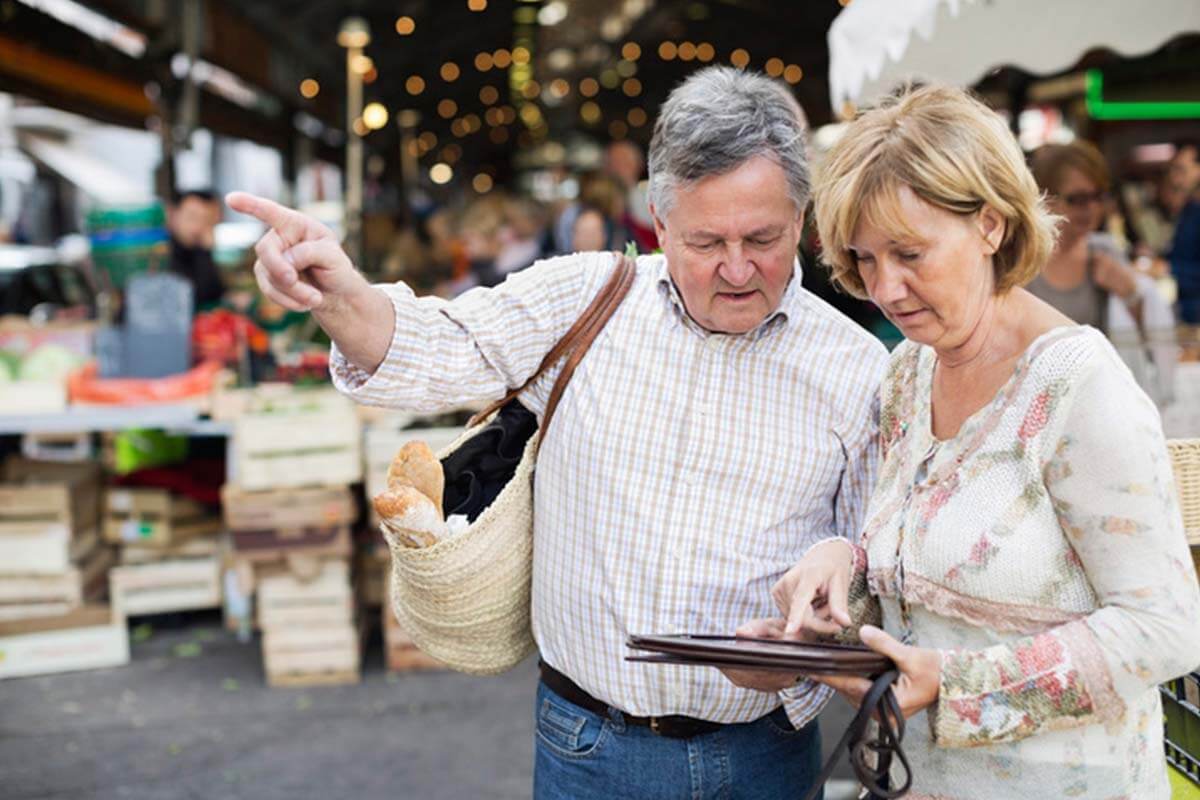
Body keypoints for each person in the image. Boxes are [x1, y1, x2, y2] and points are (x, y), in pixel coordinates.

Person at [229, 66, 888, 799]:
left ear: (802, 218)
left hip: (764, 753)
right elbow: (435, 347)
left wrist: (808, 653)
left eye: (763, 238)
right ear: (659, 223)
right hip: (589, 745)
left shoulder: (857, 368)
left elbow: (870, 566)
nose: (737, 269)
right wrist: (337, 292)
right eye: (706, 242)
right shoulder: (586, 299)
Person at [741, 84, 1200, 799]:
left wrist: (959, 688)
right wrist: (840, 583)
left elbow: (1166, 628)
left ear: (990, 224)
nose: (885, 288)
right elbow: (925, 580)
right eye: (864, 259)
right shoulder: (907, 372)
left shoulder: (1078, 387)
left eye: (909, 252)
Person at [1026, 141, 1147, 329]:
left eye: (1098, 197)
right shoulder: (1023, 261)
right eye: (1078, 199)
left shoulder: (1105, 251)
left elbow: (1146, 334)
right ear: (1046, 199)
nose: (1092, 208)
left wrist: (1130, 293)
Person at [166, 188, 224, 309]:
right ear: (172, 215)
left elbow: (214, 294)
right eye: (192, 217)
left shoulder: (198, 249)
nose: (198, 226)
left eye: (206, 220)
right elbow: (191, 298)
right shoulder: (162, 251)